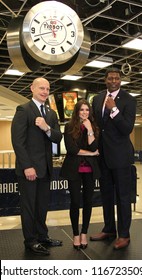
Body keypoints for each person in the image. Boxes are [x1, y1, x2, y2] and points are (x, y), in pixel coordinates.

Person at [11, 77, 62, 255]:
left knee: (42, 206)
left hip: (46, 169)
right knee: (29, 207)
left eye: (47, 89)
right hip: (29, 170)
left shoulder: (51, 113)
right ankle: (30, 240)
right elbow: (18, 142)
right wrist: (27, 166)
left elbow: (57, 137)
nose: (45, 91)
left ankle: (42, 236)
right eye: (41, 88)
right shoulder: (23, 109)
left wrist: (47, 127)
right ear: (32, 88)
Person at [90, 67, 137, 250]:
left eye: (117, 78)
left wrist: (114, 110)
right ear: (105, 80)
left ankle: (124, 235)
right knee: (106, 195)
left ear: (120, 80)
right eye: (110, 78)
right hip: (103, 157)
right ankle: (109, 229)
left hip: (121, 158)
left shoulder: (129, 100)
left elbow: (126, 129)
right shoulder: (98, 98)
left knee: (123, 197)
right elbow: (98, 126)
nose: (114, 81)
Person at [60, 99, 100, 249]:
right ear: (77, 111)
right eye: (82, 110)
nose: (85, 112)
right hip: (74, 170)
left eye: (87, 110)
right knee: (75, 202)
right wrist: (91, 154)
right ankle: (75, 234)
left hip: (89, 170)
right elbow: (72, 149)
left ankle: (84, 233)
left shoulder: (94, 126)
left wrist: (89, 129)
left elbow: (95, 145)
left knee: (88, 202)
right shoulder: (70, 126)